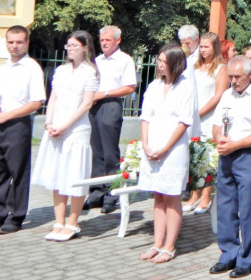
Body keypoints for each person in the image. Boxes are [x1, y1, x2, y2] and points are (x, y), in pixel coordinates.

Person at [31, 31, 99, 242]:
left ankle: (72, 222)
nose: (70, 49)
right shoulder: (61, 70)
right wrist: (49, 122)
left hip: (76, 129)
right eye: (68, 45)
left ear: (85, 48)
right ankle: (59, 221)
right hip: (56, 128)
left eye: (74, 45)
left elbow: (86, 104)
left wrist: (64, 126)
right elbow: (53, 98)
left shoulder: (90, 72)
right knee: (57, 174)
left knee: (75, 175)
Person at [209, 55, 251, 278]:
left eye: (237, 77)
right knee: (225, 207)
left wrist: (236, 144)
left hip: (248, 155)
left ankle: (247, 259)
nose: (233, 81)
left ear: (250, 74)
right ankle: (228, 254)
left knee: (247, 209)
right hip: (227, 153)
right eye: (230, 77)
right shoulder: (227, 94)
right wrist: (220, 138)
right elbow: (216, 125)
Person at [137, 44, 197, 263]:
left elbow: (184, 121)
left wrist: (165, 148)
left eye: (164, 61)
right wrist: (145, 144)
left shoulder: (185, 87)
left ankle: (169, 245)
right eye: (159, 60)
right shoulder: (154, 86)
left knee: (171, 196)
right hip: (152, 146)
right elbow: (145, 116)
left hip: (173, 148)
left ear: (175, 63)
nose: (160, 64)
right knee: (158, 195)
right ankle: (156, 243)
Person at [0, 25, 46, 234]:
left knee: (18, 171)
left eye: (19, 42)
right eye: (11, 42)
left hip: (17, 124)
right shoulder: (1, 68)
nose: (14, 46)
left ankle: (16, 215)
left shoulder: (32, 68)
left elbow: (36, 103)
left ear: (27, 42)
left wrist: (8, 115)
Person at [86, 25, 137, 214]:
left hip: (111, 104)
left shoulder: (125, 60)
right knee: (96, 150)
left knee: (109, 151)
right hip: (94, 105)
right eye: (101, 40)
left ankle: (111, 194)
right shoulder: (97, 60)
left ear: (118, 40)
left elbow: (130, 87)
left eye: (107, 40)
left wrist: (105, 93)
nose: (104, 43)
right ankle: (96, 192)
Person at [183, 32, 228, 214]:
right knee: (194, 155)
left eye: (206, 47)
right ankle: (193, 194)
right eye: (201, 46)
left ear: (215, 48)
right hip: (194, 117)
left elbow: (218, 96)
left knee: (207, 157)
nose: (202, 50)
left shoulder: (221, 68)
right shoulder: (194, 66)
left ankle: (206, 196)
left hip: (209, 117)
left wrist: (199, 113)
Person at [177, 24, 203, 139]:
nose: (184, 46)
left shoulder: (202, 56)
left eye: (187, 43)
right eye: (182, 43)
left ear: (197, 40)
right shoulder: (179, 55)